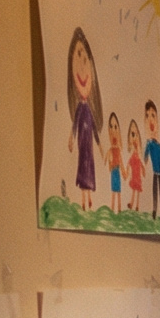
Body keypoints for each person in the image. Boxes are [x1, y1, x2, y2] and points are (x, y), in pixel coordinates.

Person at [65, 27, 102, 211]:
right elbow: (74, 125)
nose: (81, 67)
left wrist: (101, 147)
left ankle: (89, 199)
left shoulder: (89, 110)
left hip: (89, 147)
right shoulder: (80, 108)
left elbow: (95, 129)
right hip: (81, 145)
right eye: (77, 58)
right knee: (82, 167)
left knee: (89, 167)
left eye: (85, 59)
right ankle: (83, 199)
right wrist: (71, 137)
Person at [142, 99, 160, 222]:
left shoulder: (158, 145)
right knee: (154, 192)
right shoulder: (150, 144)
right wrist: (145, 160)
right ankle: (154, 210)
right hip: (154, 173)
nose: (151, 119)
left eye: (153, 115)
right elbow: (146, 154)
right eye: (147, 116)